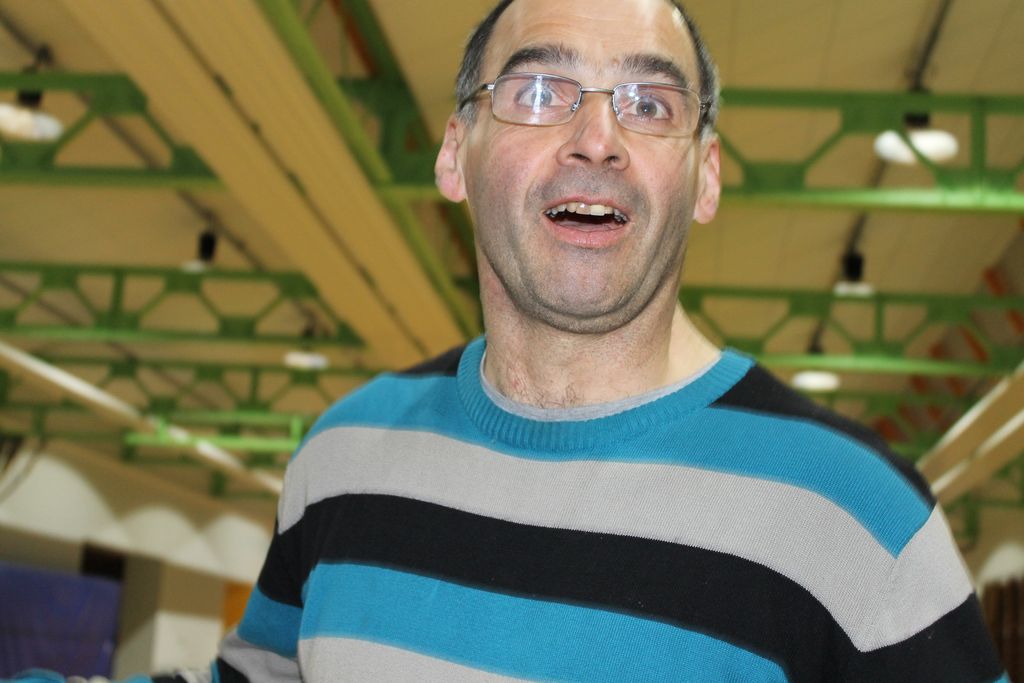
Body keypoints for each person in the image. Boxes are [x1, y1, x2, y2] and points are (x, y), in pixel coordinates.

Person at [15, 0, 1006, 681]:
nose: (597, 138)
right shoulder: (345, 455)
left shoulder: (857, 516)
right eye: (538, 92)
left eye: (650, 104)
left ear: (704, 175)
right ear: (456, 153)